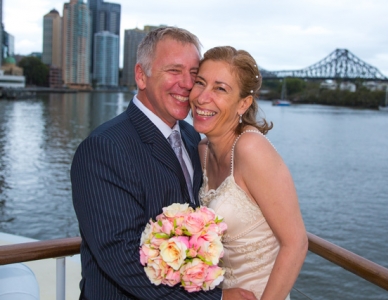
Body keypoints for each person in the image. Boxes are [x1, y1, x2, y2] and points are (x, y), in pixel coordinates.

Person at [71, 27, 256, 299]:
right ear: (140, 76)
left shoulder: (194, 137)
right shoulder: (104, 147)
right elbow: (121, 257)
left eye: (194, 74)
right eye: (173, 71)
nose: (186, 83)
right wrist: (217, 299)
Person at [189, 46, 309, 300]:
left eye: (220, 88)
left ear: (243, 103)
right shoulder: (202, 150)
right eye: (200, 83)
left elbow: (296, 243)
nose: (201, 97)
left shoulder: (251, 149)